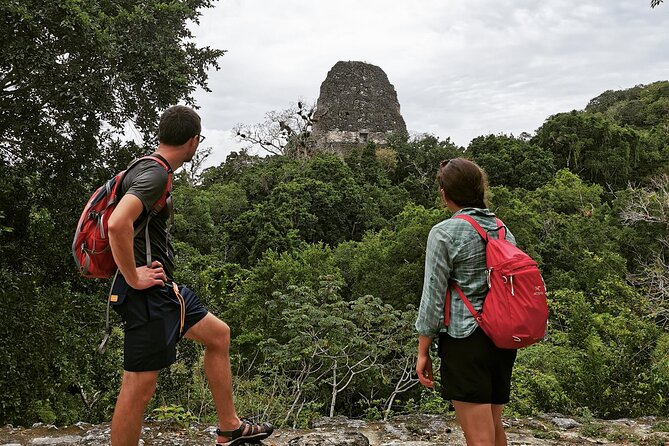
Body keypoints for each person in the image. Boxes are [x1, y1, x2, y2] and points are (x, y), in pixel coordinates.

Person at [107, 105, 274, 446]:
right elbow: (116, 224)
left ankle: (229, 428)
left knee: (218, 335)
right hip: (146, 293)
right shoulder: (154, 175)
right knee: (139, 385)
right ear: (194, 141)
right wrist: (134, 276)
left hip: (164, 291)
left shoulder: (145, 166)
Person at [415, 158, 517, 446]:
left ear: (444, 194)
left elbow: (433, 297)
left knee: (479, 438)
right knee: (495, 428)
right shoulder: (501, 228)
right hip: (501, 339)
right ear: (480, 189)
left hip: (465, 340)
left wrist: (423, 351)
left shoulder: (445, 232)